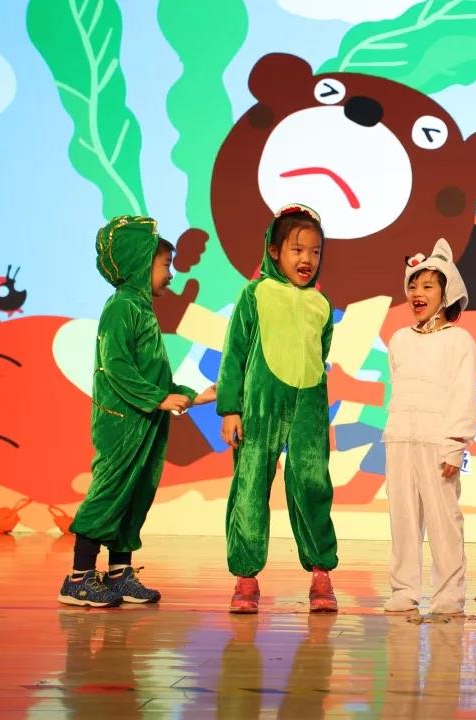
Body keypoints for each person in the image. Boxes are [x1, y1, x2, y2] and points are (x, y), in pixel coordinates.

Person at [59, 215, 215, 607]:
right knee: (109, 493)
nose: (171, 274)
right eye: (165, 265)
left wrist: (193, 395)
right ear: (139, 264)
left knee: (135, 495)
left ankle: (120, 573)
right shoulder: (121, 307)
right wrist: (158, 400)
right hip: (122, 422)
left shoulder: (142, 309)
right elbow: (117, 366)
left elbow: (154, 374)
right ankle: (78, 578)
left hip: (145, 421)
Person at [217, 204, 338, 613]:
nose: (307, 259)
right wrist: (230, 409)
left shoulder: (321, 304)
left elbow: (320, 353)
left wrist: (315, 406)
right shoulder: (254, 294)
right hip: (260, 406)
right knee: (251, 485)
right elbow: (234, 354)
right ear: (274, 251)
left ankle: (321, 573)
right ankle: (246, 578)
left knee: (312, 484)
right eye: (297, 250)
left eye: (315, 252)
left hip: (308, 406)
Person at [381, 239, 476, 615]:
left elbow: (462, 394)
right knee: (403, 520)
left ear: (446, 291)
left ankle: (449, 594)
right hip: (400, 438)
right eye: (412, 286)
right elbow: (398, 386)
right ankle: (404, 590)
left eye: (427, 286)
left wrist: (455, 444)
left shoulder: (459, 340)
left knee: (443, 520)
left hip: (438, 443)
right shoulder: (399, 339)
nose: (417, 293)